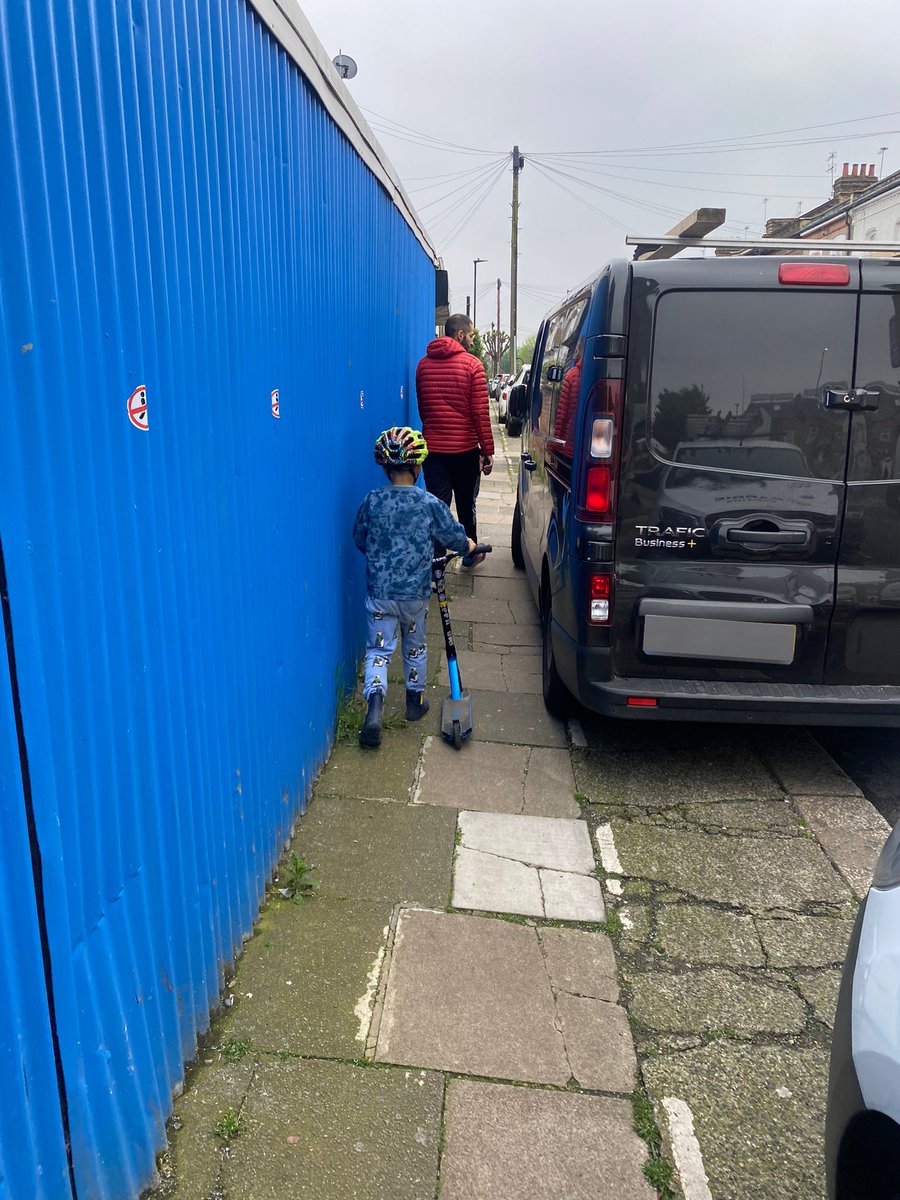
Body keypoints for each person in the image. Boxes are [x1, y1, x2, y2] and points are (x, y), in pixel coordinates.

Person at [352, 427, 475, 748]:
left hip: (380, 593)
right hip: (415, 595)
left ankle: (375, 711)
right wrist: (468, 545)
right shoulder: (428, 503)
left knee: (378, 651)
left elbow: (360, 537)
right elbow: (452, 536)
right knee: (415, 647)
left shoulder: (372, 501)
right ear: (418, 467)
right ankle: (413, 702)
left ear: (384, 468)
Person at [415, 314, 494, 566]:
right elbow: (480, 413)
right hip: (464, 450)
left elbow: (423, 408)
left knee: (438, 507)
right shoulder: (473, 366)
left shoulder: (423, 366)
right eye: (470, 335)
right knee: (465, 504)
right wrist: (487, 450)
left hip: (434, 451)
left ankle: (437, 562)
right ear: (460, 335)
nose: (471, 340)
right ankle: (470, 554)